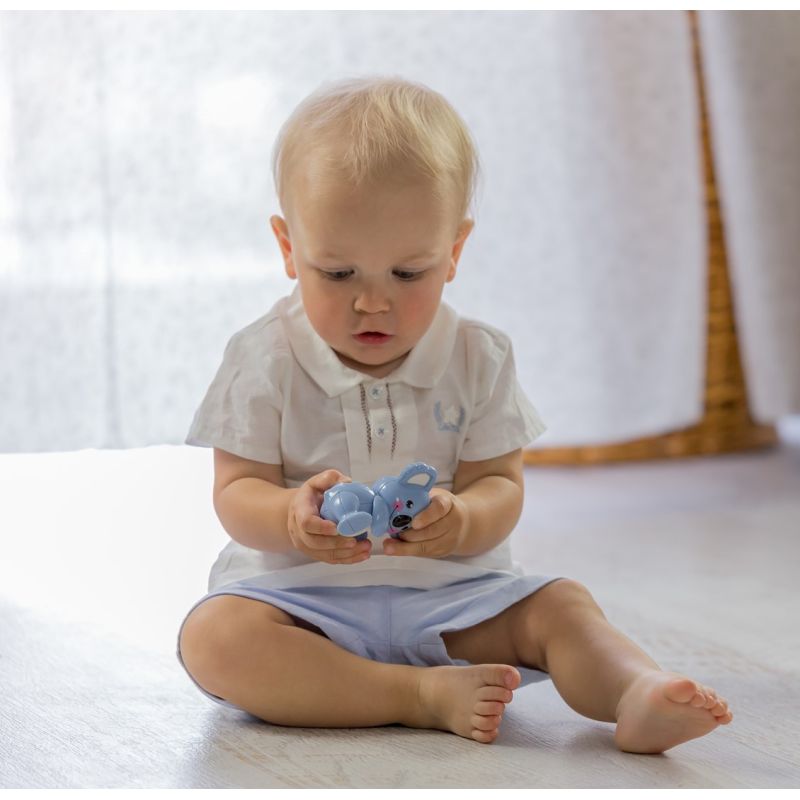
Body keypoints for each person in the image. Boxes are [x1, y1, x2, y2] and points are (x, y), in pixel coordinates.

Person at [177, 76, 733, 752]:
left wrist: (463, 518)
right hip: (304, 601)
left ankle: (634, 690)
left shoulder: (477, 356)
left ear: (454, 253)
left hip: (455, 598)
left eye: (408, 274)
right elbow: (237, 490)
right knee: (216, 639)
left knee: (561, 606)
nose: (373, 302)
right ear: (289, 248)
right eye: (339, 274)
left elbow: (500, 483)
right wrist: (290, 517)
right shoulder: (261, 357)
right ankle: (415, 695)